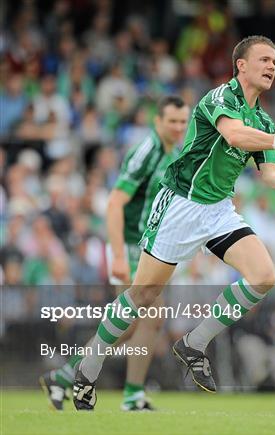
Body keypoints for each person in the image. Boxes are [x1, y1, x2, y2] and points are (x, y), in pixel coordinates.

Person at [72, 35, 275, 410]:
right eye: (264, 59)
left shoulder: (263, 118)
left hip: (218, 209)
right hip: (179, 204)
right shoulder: (219, 99)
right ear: (241, 65)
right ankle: (86, 368)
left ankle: (194, 344)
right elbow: (234, 134)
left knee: (264, 276)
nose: (272, 66)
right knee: (142, 295)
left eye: (274, 60)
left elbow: (269, 170)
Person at [40, 96, 189, 411]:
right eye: (172, 121)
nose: (178, 127)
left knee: (140, 323)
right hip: (130, 246)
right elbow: (114, 203)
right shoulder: (146, 152)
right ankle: (112, 389)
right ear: (157, 121)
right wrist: (119, 255)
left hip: (149, 247)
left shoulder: (172, 152)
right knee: (142, 320)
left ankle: (70, 377)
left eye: (182, 121)